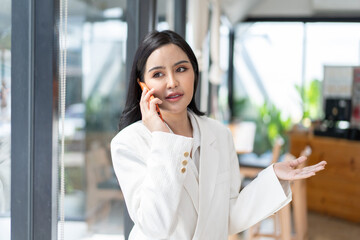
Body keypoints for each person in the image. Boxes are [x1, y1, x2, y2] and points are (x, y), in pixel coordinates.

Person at [110, 30, 326, 240]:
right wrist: (162, 138)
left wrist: (273, 177)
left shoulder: (219, 134)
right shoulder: (127, 144)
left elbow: (228, 216)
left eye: (181, 69)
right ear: (142, 85)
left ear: (194, 73)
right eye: (158, 74)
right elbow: (156, 227)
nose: (172, 82)